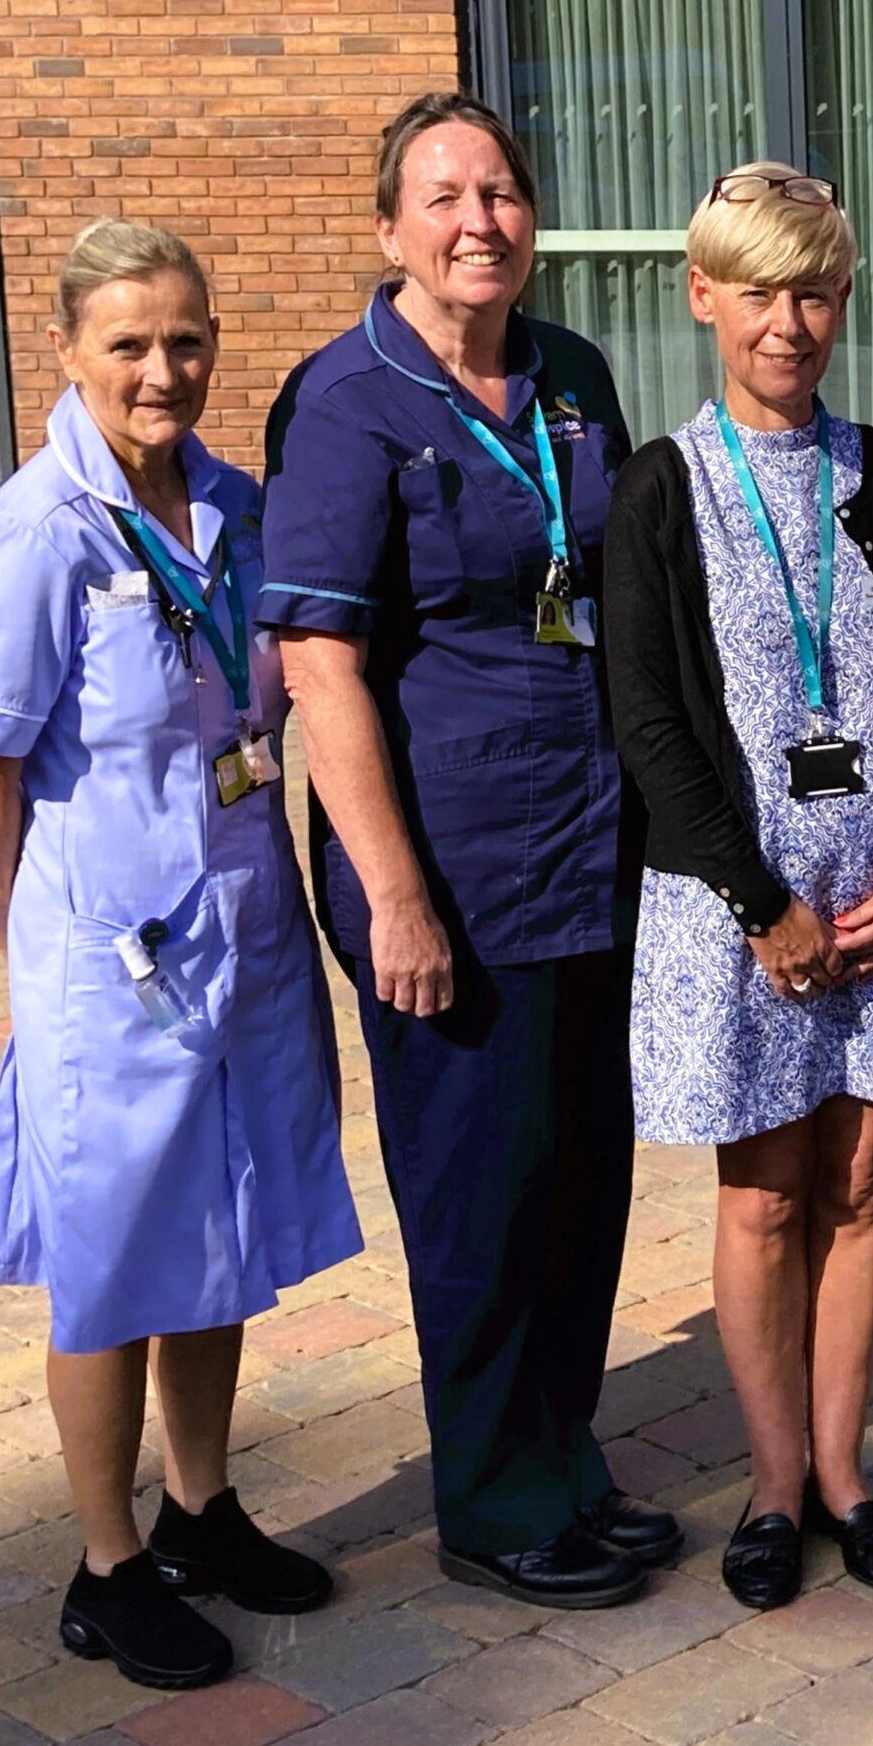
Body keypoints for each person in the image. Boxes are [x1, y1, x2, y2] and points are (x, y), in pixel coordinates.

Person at [0, 220, 361, 1690]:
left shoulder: (237, 509)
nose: (161, 370)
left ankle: (201, 1510)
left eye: (185, 340)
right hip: (108, 973)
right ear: (65, 349)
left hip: (241, 941)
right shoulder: (40, 531)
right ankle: (105, 1565)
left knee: (222, 1236)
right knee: (114, 1267)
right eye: (128, 344)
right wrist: (39, 961)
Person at [259, 93, 675, 1608]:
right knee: (478, 1193)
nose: (478, 221)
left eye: (500, 192)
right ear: (390, 230)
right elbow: (320, 667)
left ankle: (564, 1453)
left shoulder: (575, 376)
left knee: (580, 1176)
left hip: (589, 852)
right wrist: (394, 896)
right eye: (443, 197)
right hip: (446, 874)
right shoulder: (343, 403)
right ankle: (493, 1500)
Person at [606, 162, 873, 1611]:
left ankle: (845, 1474)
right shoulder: (661, 486)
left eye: (816, 289)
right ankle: (769, 1486)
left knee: (863, 1186)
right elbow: (648, 718)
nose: (789, 321)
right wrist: (764, 903)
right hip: (738, 916)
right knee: (765, 1199)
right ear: (703, 296)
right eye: (759, 291)